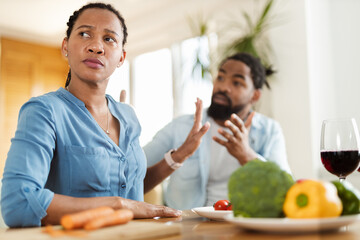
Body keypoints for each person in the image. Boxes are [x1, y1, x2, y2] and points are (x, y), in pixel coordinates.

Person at [1, 2, 209, 228]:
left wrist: (179, 156)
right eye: (84, 34)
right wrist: (118, 205)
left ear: (121, 56)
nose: (96, 46)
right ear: (65, 47)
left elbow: (132, 187)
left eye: (109, 39)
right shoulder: (44, 111)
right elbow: (17, 202)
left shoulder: (128, 115)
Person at [144, 52, 292, 210]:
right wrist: (178, 155)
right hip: (188, 226)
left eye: (236, 83)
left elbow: (286, 189)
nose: (223, 87)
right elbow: (133, 169)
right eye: (220, 78)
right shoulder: (180, 127)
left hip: (245, 224)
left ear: (254, 96)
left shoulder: (269, 131)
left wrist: (246, 155)